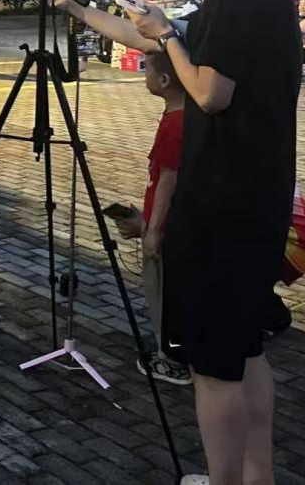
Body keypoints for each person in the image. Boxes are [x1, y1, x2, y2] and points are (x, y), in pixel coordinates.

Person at [124, 0, 305, 485]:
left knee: (213, 366)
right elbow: (186, 46)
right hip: (257, 195)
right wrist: (86, 12)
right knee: (246, 349)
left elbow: (208, 91)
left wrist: (167, 38)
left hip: (222, 201)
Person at [109, 49, 190, 385]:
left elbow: (170, 178)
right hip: (174, 224)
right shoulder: (189, 116)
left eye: (148, 70)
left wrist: (152, 230)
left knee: (164, 299)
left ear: (165, 80)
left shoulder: (176, 124)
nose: (144, 75)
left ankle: (174, 360)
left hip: (167, 231)